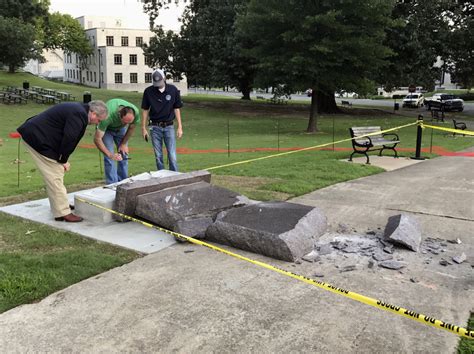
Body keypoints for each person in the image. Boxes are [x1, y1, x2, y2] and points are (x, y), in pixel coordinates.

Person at [17, 101, 108, 222]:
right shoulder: (79, 114)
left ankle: (60, 204)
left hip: (39, 136)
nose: (98, 123)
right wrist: (62, 159)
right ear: (93, 113)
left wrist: (62, 159)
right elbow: (69, 138)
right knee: (55, 174)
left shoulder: (79, 109)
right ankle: (62, 212)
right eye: (99, 120)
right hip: (36, 138)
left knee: (56, 173)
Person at [141, 69, 183, 171]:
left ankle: (174, 177)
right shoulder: (148, 92)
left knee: (172, 155)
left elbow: (176, 108)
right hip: (155, 127)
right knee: (158, 156)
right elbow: (145, 110)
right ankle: (161, 177)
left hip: (169, 126)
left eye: (159, 81)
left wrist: (180, 127)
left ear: (164, 78)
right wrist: (143, 128)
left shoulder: (173, 90)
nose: (158, 84)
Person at [94, 98, 140, 184]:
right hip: (107, 130)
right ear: (119, 115)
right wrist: (110, 154)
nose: (126, 124)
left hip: (120, 130)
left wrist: (123, 144)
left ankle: (123, 182)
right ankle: (112, 184)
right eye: (125, 122)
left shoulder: (136, 113)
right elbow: (97, 139)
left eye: (128, 122)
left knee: (124, 154)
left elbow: (131, 129)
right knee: (109, 157)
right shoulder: (108, 115)